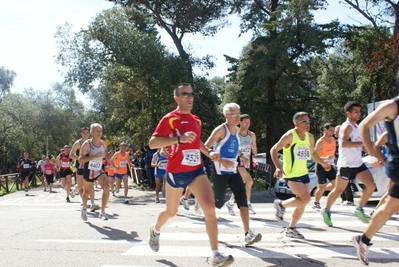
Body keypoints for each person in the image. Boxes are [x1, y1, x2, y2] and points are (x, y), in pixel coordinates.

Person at [148, 83, 233, 266]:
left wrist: (209, 154)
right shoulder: (170, 119)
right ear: (176, 98)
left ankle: (215, 254)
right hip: (176, 171)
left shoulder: (196, 120)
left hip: (196, 170)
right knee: (171, 212)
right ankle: (155, 230)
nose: (189, 97)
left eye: (191, 94)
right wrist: (177, 139)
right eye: (184, 94)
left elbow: (197, 142)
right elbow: (153, 143)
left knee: (209, 207)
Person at [205, 103, 262, 247]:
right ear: (226, 116)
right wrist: (220, 159)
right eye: (234, 115)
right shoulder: (220, 130)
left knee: (242, 200)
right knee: (218, 203)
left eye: (239, 113)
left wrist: (241, 156)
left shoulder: (236, 131)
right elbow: (205, 148)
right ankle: (204, 205)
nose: (238, 117)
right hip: (219, 170)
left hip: (233, 170)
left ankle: (247, 233)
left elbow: (234, 148)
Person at [352, 93, 399, 265]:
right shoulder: (393, 106)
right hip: (398, 164)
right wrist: (373, 153)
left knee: (390, 206)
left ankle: (363, 240)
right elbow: (364, 125)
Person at [270, 112, 331, 239]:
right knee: (306, 198)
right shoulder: (289, 136)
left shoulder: (310, 137)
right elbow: (273, 150)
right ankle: (281, 205)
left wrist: (323, 163)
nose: (307, 124)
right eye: (304, 122)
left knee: (302, 203)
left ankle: (291, 229)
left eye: (308, 121)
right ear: (296, 123)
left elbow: (313, 154)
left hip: (304, 173)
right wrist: (278, 167)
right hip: (291, 174)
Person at [320, 101, 375, 227]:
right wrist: (363, 144)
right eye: (356, 112)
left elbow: (358, 144)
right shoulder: (346, 126)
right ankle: (326, 210)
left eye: (359, 112)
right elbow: (344, 143)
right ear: (348, 113)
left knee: (371, 185)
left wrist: (370, 150)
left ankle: (359, 208)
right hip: (346, 165)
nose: (359, 114)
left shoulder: (357, 127)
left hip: (358, 164)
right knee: (338, 190)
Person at [225, 114, 257, 215]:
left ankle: (230, 202)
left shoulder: (251, 135)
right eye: (245, 122)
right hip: (236, 161)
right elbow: (232, 148)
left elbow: (255, 150)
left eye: (249, 122)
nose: (247, 124)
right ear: (240, 122)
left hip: (246, 163)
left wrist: (254, 149)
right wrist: (242, 155)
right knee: (249, 181)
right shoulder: (235, 134)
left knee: (241, 186)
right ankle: (247, 203)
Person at [79, 123, 110, 221]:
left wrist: (108, 160)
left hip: (99, 169)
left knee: (106, 187)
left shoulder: (103, 143)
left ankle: (103, 211)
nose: (99, 133)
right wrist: (94, 156)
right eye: (96, 131)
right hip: (89, 170)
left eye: (100, 131)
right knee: (86, 192)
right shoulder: (87, 144)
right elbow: (80, 159)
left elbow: (105, 153)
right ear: (91, 132)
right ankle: (84, 209)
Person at [70, 127, 100, 211]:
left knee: (91, 185)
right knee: (81, 187)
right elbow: (71, 155)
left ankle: (93, 203)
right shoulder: (78, 143)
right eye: (84, 132)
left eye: (87, 133)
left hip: (90, 167)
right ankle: (82, 197)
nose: (86, 134)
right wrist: (79, 158)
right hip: (80, 167)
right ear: (81, 133)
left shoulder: (92, 142)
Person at [312, 123, 337, 210]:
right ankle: (316, 203)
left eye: (333, 131)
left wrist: (333, 160)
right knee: (322, 186)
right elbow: (315, 156)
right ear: (325, 130)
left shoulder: (333, 140)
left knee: (336, 184)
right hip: (321, 165)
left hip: (330, 165)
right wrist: (325, 158)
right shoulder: (320, 142)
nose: (332, 133)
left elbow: (333, 154)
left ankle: (322, 189)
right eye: (330, 131)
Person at [369, 131, 391, 217]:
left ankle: (377, 211)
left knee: (391, 191)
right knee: (390, 191)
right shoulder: (387, 134)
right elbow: (376, 146)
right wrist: (384, 159)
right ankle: (377, 211)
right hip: (393, 165)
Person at [335, 125, 355, 205]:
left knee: (346, 182)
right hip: (338, 162)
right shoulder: (337, 140)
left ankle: (349, 199)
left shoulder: (344, 140)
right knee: (339, 183)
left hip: (345, 163)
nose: (334, 133)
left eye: (336, 131)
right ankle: (343, 198)